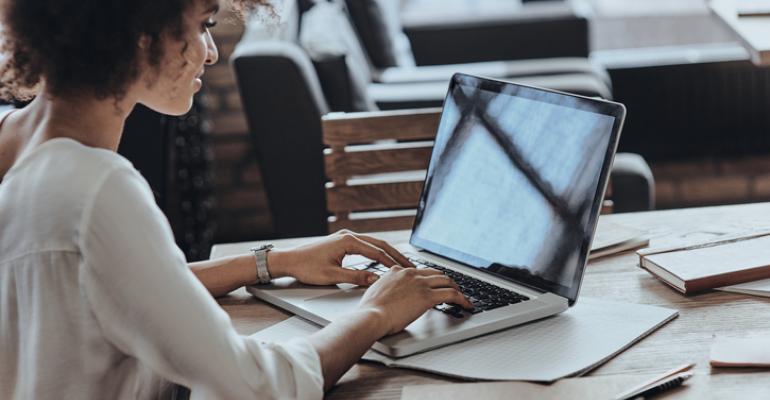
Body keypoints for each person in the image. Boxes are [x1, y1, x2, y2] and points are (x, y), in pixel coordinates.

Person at [0, 0, 472, 398]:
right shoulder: (99, 187)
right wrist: (375, 313)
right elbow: (256, 387)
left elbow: (126, 285)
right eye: (204, 24)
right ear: (142, 34)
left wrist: (272, 261)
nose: (210, 53)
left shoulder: (29, 155)